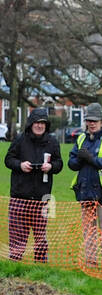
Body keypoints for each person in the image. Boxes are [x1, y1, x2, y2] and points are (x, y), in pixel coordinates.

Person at [4, 108, 63, 262]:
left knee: (40, 233)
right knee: (17, 233)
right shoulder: (20, 139)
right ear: (30, 124)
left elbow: (59, 163)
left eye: (42, 123)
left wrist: (51, 167)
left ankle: (41, 262)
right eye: (36, 122)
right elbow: (8, 160)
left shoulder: (52, 142)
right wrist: (20, 165)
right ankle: (15, 261)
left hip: (43, 196)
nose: (39, 126)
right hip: (20, 196)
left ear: (46, 125)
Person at [67, 102, 102, 264]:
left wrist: (91, 159)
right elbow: (71, 163)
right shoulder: (81, 138)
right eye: (89, 120)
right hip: (85, 190)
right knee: (88, 230)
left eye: (95, 120)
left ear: (101, 121)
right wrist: (81, 160)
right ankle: (91, 262)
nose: (92, 123)